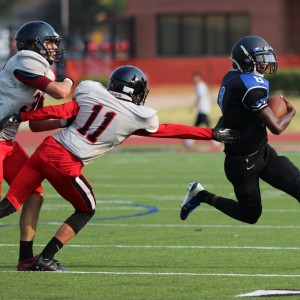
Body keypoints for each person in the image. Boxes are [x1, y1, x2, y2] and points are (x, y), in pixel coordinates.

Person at [0, 65, 238, 271]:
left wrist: (25, 117)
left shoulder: (91, 91)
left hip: (44, 150)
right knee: (86, 209)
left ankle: (28, 260)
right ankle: (45, 258)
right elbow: (168, 129)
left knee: (9, 204)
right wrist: (212, 134)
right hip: (66, 162)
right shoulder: (137, 114)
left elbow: (63, 110)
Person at [179, 35, 300, 223]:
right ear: (246, 60)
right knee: (250, 215)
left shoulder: (233, 77)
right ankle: (201, 195)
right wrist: (291, 113)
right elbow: (276, 127)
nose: (265, 62)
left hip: (263, 152)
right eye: (260, 57)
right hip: (242, 164)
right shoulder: (249, 85)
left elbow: (231, 112)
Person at [0, 20, 74, 271]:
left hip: (6, 141)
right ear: (34, 44)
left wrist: (67, 121)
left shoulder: (43, 70)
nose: (54, 47)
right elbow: (60, 92)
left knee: (34, 195)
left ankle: (26, 259)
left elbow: (34, 123)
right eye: (50, 41)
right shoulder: (25, 59)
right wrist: (72, 81)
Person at [184, 71, 211, 149]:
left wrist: (193, 106)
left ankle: (216, 141)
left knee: (200, 126)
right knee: (199, 126)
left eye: (195, 78)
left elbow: (200, 97)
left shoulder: (200, 86)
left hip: (203, 109)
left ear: (198, 77)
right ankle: (189, 141)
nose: (194, 79)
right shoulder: (202, 85)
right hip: (203, 109)